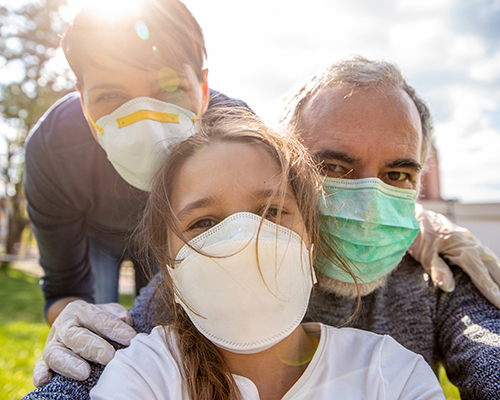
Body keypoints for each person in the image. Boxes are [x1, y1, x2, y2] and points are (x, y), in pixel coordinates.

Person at [24, 57, 500, 400]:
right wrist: (79, 355)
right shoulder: (215, 273)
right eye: (332, 166)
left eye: (398, 175)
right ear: (286, 171)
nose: (371, 201)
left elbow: (489, 353)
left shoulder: (438, 276)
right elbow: (113, 360)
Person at [88, 109, 444, 399]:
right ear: (169, 265)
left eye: (272, 212)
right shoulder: (145, 375)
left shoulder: (392, 375)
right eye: (205, 221)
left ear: (311, 243)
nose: (244, 239)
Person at [24, 0, 248, 328]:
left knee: (177, 327)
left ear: (202, 89)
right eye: (110, 96)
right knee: (94, 333)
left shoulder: (239, 137)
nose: (144, 119)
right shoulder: (51, 147)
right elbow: (63, 290)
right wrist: (71, 320)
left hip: (175, 231)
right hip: (94, 238)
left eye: (169, 88)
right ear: (83, 102)